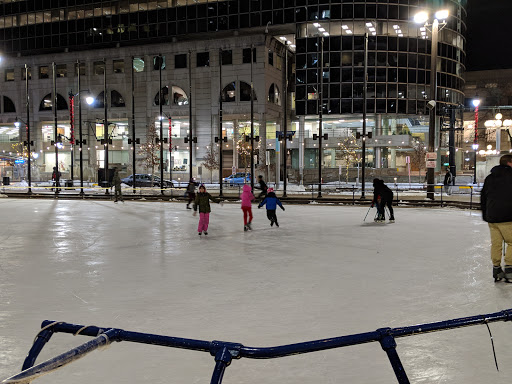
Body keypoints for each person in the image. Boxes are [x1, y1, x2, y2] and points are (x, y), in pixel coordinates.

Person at [481, 154, 512, 282]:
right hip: (507, 216)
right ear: (509, 163)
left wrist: (486, 214)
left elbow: (483, 197)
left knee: (496, 244)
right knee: (511, 242)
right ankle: (510, 270)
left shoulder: (490, 177)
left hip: (492, 217)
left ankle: (496, 269)